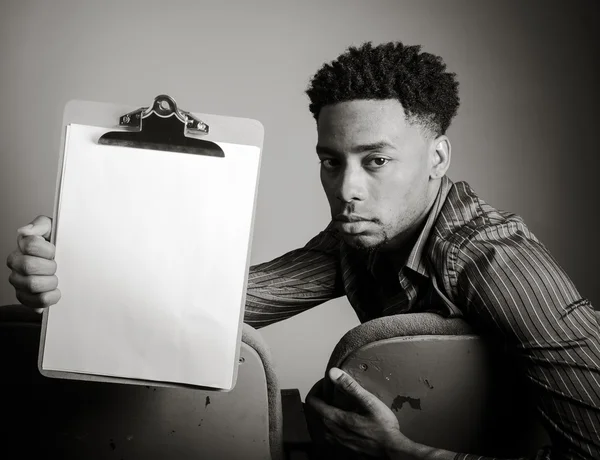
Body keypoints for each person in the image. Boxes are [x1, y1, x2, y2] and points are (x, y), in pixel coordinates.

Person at [6, 42, 600, 459]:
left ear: (438, 158)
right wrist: (67, 274)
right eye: (330, 161)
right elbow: (211, 307)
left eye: (377, 160)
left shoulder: (499, 263)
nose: (347, 190)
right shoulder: (353, 240)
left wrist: (406, 455)